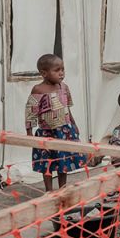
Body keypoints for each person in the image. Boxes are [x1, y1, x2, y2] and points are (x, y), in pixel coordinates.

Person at [27, 54, 86, 191]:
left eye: (63, 69)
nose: (61, 73)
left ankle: (63, 188)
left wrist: (74, 124)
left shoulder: (64, 87)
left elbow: (67, 108)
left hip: (64, 131)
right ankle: (49, 190)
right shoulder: (38, 90)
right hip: (46, 132)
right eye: (57, 70)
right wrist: (29, 132)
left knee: (62, 160)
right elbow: (31, 111)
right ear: (44, 73)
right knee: (46, 161)